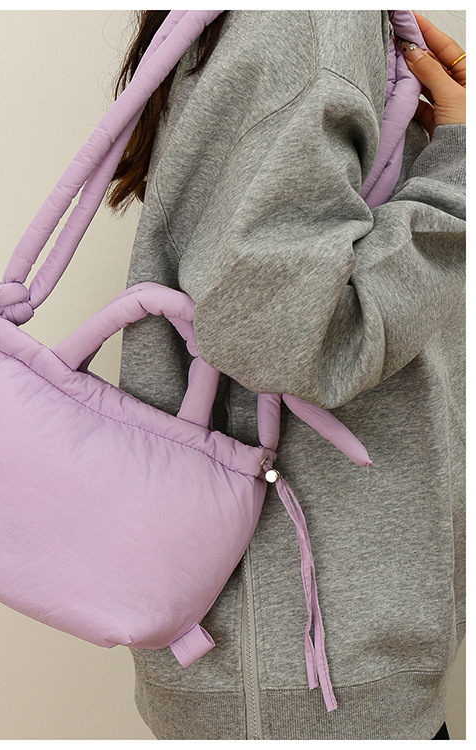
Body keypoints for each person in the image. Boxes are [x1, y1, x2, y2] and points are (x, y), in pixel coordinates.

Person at [106, 10, 465, 741]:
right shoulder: (310, 20)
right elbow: (289, 335)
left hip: (291, 663)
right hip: (305, 681)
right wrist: (461, 171)